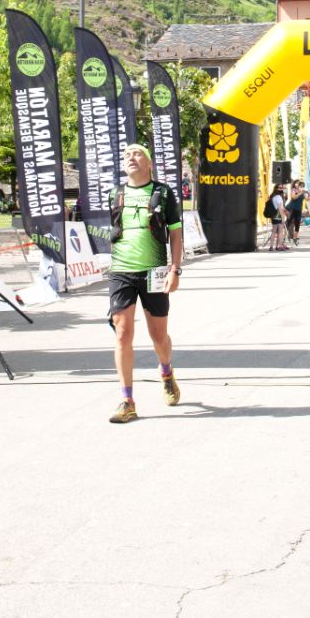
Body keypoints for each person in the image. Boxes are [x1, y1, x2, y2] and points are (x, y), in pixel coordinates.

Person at [107, 144, 183, 424]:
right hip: (121, 271)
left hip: (154, 271)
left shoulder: (163, 193)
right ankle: (127, 401)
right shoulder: (115, 194)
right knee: (122, 333)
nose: (131, 158)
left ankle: (166, 371)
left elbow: (175, 234)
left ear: (149, 163)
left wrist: (175, 270)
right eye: (127, 155)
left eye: (137, 154)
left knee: (158, 337)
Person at [266, 184, 290, 251]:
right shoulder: (279, 197)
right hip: (278, 215)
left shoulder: (273, 197)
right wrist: (283, 217)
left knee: (274, 231)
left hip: (273, 215)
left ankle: (271, 246)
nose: (283, 189)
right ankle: (279, 246)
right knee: (280, 232)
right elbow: (280, 208)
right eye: (281, 188)